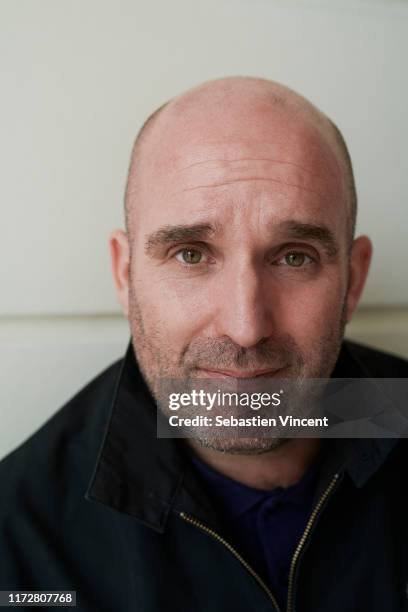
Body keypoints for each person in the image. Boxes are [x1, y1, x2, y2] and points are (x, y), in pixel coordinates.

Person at [1, 76, 407, 612]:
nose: (245, 327)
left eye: (294, 256)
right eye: (191, 254)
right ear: (126, 275)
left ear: (353, 281)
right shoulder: (17, 539)